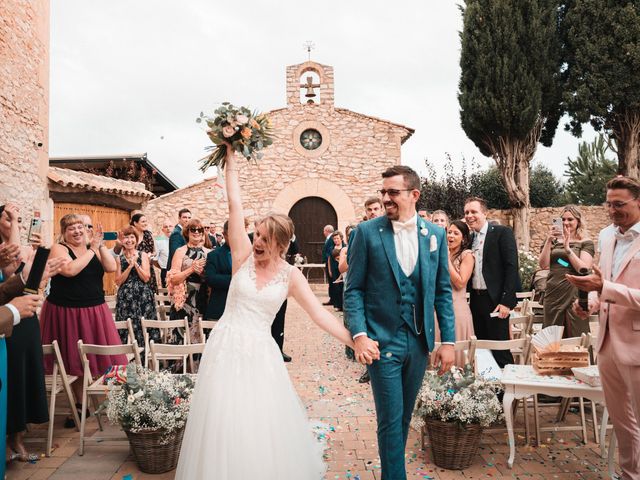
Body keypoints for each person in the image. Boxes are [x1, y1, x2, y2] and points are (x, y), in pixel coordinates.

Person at [175, 145, 354, 479]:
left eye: (266, 240)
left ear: (282, 246)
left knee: (256, 419)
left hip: (260, 353)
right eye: (257, 234)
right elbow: (234, 204)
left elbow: (320, 315)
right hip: (225, 346)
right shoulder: (241, 256)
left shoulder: (291, 276)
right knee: (222, 416)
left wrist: (354, 340)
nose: (257, 242)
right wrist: (229, 160)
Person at [344, 165, 455, 480]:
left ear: (414, 195)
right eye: (383, 192)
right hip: (382, 342)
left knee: (404, 417)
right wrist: (360, 335)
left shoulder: (434, 234)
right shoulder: (366, 233)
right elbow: (353, 291)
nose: (386, 198)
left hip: (418, 343)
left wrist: (447, 342)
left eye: (392, 192)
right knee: (390, 421)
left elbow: (443, 292)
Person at [568, 176, 640, 479]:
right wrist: (591, 303)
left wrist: (604, 288)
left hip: (637, 346)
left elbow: (608, 285)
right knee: (622, 423)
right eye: (608, 203)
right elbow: (604, 282)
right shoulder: (607, 237)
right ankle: (629, 474)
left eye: (619, 204)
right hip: (607, 343)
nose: (612, 210)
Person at [40, 214, 127, 427]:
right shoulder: (59, 248)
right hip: (66, 310)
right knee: (74, 361)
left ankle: (119, 402)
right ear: (64, 232)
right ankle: (80, 405)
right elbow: (69, 270)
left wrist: (99, 246)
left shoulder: (93, 247)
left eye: (81, 227)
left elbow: (110, 268)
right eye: (72, 228)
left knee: (108, 357)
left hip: (94, 309)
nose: (78, 231)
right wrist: (91, 249)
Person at [464, 197, 519, 368]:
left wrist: (506, 302)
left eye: (474, 212)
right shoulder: (470, 239)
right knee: (481, 350)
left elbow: (512, 267)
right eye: (466, 212)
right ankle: (488, 392)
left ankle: (508, 393)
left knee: (500, 349)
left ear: (485, 213)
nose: (469, 215)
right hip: (476, 299)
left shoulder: (502, 233)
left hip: (495, 301)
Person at [539, 205, 594, 337]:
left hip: (574, 292)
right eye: (563, 219)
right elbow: (544, 265)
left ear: (578, 221)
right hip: (553, 292)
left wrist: (567, 248)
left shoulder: (586, 242)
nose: (565, 223)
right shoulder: (552, 240)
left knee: (576, 332)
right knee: (551, 336)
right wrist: (548, 241)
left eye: (570, 219)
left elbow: (584, 269)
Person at [114, 226, 159, 354]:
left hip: (143, 296)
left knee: (144, 326)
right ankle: (125, 359)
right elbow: (117, 281)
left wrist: (136, 265)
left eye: (132, 237)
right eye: (126, 237)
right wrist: (129, 267)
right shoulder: (119, 258)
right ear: (122, 240)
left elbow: (146, 278)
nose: (129, 240)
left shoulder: (143, 255)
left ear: (136, 239)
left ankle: (146, 358)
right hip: (125, 298)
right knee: (125, 327)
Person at [168, 219, 211, 335]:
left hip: (202, 298)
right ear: (187, 232)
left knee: (201, 335)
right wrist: (191, 269)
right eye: (193, 229)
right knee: (183, 335)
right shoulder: (180, 251)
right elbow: (174, 279)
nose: (196, 232)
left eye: (200, 230)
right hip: (184, 299)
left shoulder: (209, 253)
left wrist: (202, 273)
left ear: (203, 233)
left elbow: (211, 278)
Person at [445, 220, 475, 367]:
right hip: (438, 310)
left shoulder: (467, 255)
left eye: (456, 233)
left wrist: (445, 259)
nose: (451, 235)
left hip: (457, 310)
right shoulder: (442, 254)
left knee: (456, 356)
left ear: (463, 238)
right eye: (449, 232)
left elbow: (461, 282)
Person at [204, 220, 232, 323]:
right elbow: (210, 278)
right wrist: (236, 279)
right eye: (231, 234)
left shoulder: (249, 255)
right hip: (220, 308)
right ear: (224, 234)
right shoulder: (214, 255)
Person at [130, 213, 158, 294]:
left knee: (148, 294)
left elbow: (154, 251)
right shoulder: (131, 236)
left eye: (146, 221)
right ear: (135, 223)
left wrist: (151, 255)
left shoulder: (148, 234)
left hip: (148, 269)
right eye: (143, 221)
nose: (145, 223)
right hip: (134, 268)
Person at [327, 231, 345, 310]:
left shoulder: (345, 247)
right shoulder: (331, 248)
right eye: (334, 239)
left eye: (337, 238)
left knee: (343, 286)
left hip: (343, 268)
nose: (336, 240)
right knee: (336, 287)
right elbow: (329, 260)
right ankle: (337, 305)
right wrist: (330, 270)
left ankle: (344, 305)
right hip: (334, 269)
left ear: (341, 238)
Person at [154, 219, 172, 288]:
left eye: (170, 226)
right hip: (165, 271)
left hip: (178, 271)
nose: (168, 228)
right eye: (166, 227)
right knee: (166, 295)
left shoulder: (178, 240)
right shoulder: (158, 241)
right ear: (162, 230)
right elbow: (155, 260)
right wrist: (162, 268)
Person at [321, 224, 335, 305]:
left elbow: (330, 251)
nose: (323, 232)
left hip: (330, 262)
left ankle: (333, 299)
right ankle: (332, 299)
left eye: (324, 231)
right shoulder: (329, 238)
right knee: (330, 281)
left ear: (327, 231)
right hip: (328, 262)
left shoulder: (331, 238)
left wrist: (327, 259)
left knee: (331, 280)